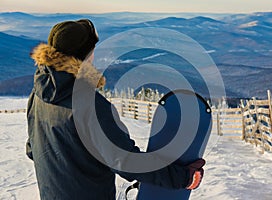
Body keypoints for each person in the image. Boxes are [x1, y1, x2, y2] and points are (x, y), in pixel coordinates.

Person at [26, 19, 205, 200]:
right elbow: (126, 161)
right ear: (84, 55)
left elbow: (32, 149)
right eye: (92, 50)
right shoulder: (91, 106)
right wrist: (183, 178)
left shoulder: (39, 94)